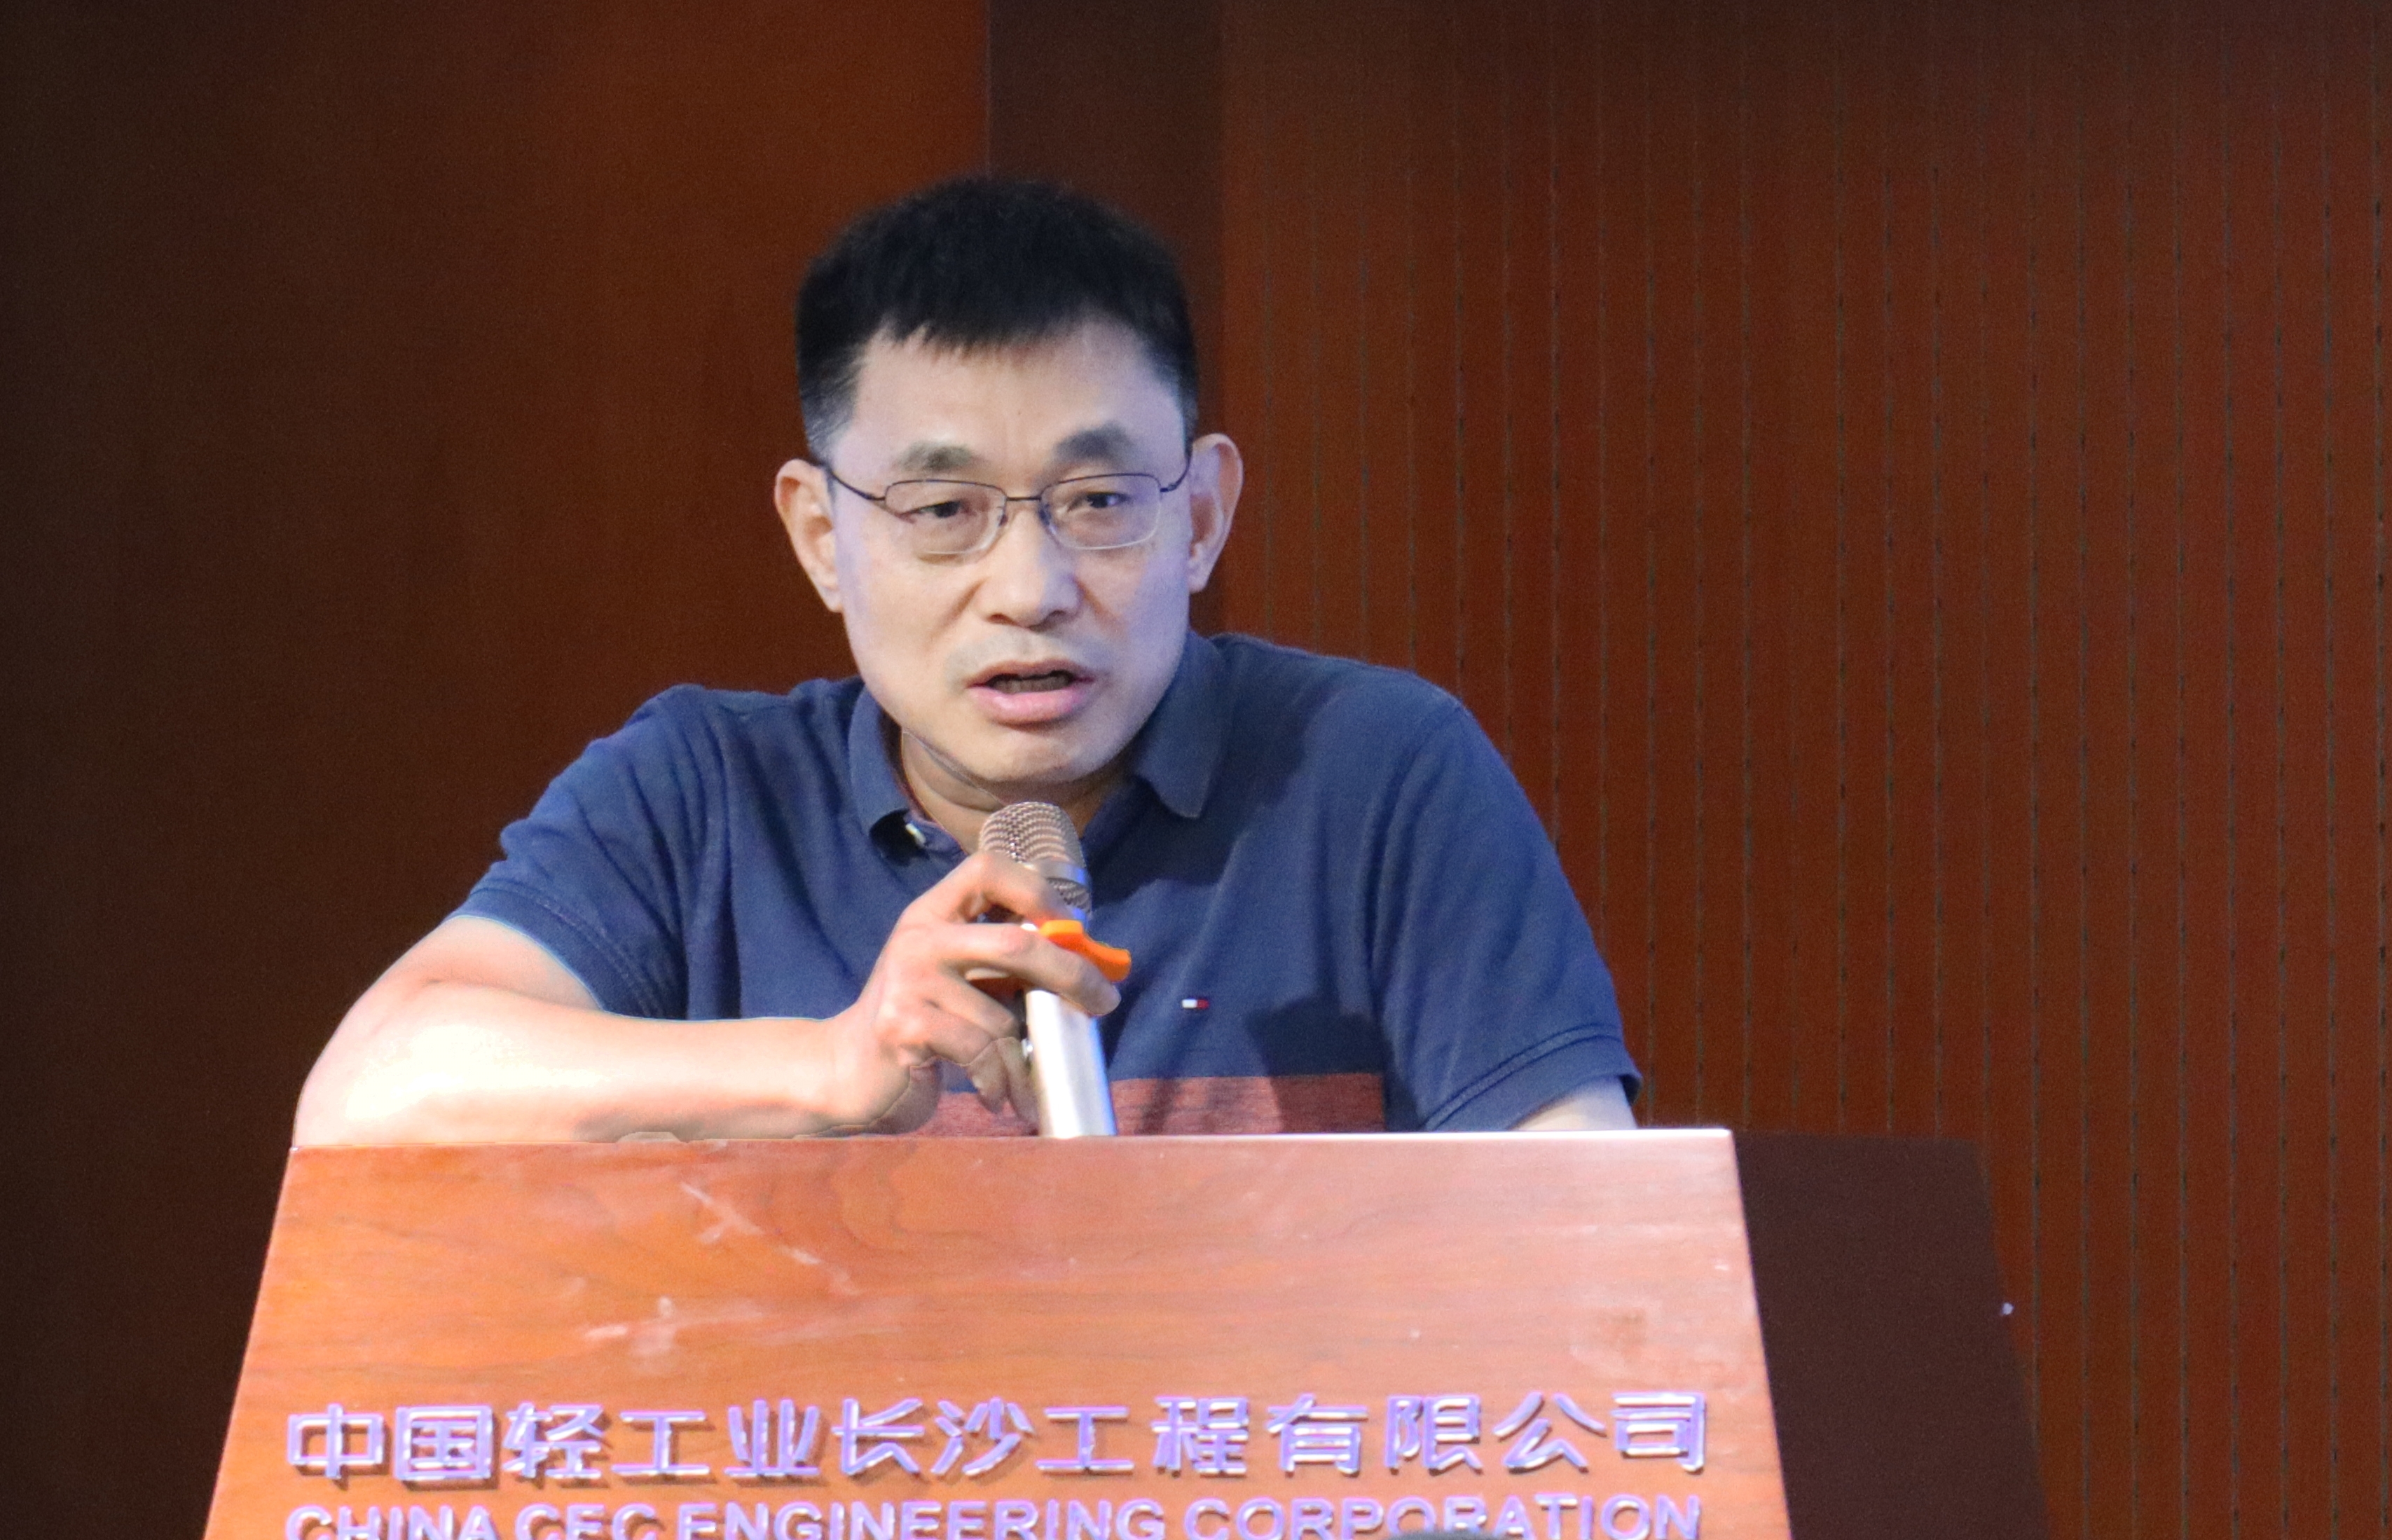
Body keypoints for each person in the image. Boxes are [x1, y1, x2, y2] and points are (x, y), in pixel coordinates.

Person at [294, 177, 1638, 1145]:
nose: (1030, 588)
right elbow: (368, 1096)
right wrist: (826, 1066)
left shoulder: (1375, 776)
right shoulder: (700, 797)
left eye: (1098, 501)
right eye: (944, 512)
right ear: (820, 538)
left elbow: (1587, 1250)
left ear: (1201, 517)